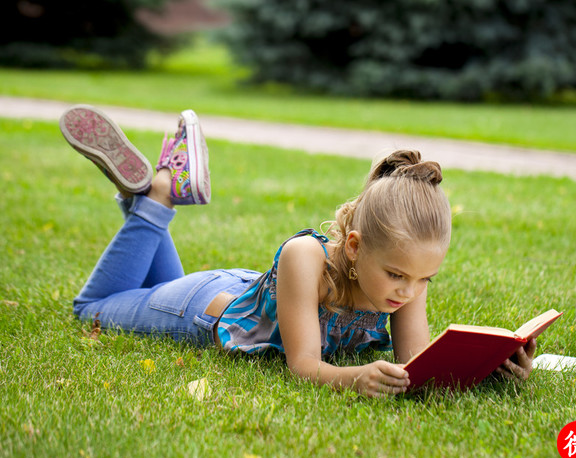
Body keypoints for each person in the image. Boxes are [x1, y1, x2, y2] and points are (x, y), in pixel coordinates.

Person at [60, 105, 535, 398]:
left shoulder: (408, 279)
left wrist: (493, 367)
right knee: (90, 309)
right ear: (354, 246)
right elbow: (304, 366)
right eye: (396, 275)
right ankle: (159, 194)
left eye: (423, 279)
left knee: (145, 283)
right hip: (199, 310)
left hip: (243, 294)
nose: (408, 291)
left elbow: (416, 370)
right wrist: (355, 379)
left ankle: (148, 194)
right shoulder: (304, 256)